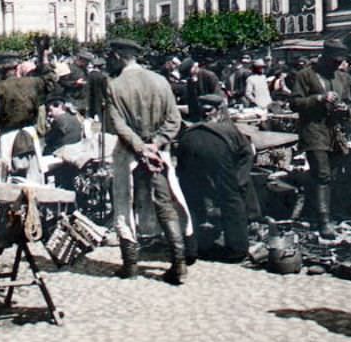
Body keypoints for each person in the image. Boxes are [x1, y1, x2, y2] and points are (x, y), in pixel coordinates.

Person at [105, 38, 192, 285]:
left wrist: (140, 146)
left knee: (125, 202)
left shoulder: (114, 85)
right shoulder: (160, 81)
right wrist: (155, 143)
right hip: (158, 154)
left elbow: (117, 124)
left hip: (129, 153)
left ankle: (130, 264)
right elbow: (174, 120)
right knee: (165, 203)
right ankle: (179, 264)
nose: (110, 60)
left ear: (120, 57)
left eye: (112, 56)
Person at [290, 39, 351, 239]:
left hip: (335, 132)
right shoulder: (305, 75)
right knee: (322, 174)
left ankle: (317, 211)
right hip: (313, 130)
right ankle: (324, 221)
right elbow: (294, 103)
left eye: (340, 62)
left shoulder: (342, 77)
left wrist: (346, 109)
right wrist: (318, 99)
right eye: (334, 61)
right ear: (324, 57)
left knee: (331, 175)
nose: (337, 65)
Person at [177, 94, 256, 262]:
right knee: (231, 200)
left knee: (192, 197)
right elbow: (247, 153)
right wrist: (239, 181)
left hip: (188, 145)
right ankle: (237, 249)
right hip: (216, 149)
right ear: (220, 111)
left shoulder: (191, 127)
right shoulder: (229, 128)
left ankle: (192, 245)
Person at [0, 51, 55, 182]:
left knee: (5, 177)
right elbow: (50, 80)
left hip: (7, 138)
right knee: (34, 177)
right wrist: (43, 58)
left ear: (0, 71)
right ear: (17, 68)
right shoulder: (32, 83)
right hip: (30, 135)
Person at [178, 57, 224, 121]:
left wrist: (213, 110)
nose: (189, 76)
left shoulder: (210, 76)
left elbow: (217, 96)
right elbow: (192, 101)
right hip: (198, 114)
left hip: (213, 113)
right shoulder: (190, 81)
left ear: (194, 67)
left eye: (189, 74)